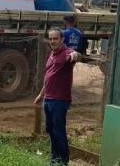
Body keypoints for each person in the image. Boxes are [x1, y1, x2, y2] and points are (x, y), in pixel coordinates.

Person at [34, 28, 82, 166]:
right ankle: (54, 159)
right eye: (50, 39)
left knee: (59, 131)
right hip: (48, 99)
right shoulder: (52, 54)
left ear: (62, 40)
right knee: (51, 130)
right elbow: (48, 77)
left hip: (60, 100)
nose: (53, 41)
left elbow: (75, 55)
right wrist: (41, 95)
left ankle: (63, 161)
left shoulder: (66, 53)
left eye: (55, 38)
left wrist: (75, 55)